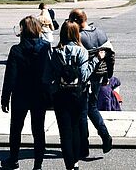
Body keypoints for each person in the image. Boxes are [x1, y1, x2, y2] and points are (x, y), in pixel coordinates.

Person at [0, 16, 51, 170]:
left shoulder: (16, 49)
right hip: (39, 93)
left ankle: (14, 159)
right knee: (38, 129)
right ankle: (38, 164)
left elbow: (10, 75)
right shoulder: (45, 47)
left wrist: (5, 97)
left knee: (16, 128)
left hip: (20, 93)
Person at [68, 9, 114, 155]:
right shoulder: (101, 33)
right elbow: (110, 56)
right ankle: (105, 135)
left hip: (85, 77)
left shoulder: (79, 37)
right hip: (99, 76)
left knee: (82, 111)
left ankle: (84, 145)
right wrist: (108, 76)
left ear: (75, 21)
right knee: (92, 107)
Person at [51, 21, 92, 170]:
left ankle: (69, 164)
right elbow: (84, 75)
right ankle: (75, 161)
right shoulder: (82, 51)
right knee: (76, 128)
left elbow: (50, 75)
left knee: (65, 132)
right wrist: (96, 61)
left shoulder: (55, 52)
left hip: (60, 94)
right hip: (77, 94)